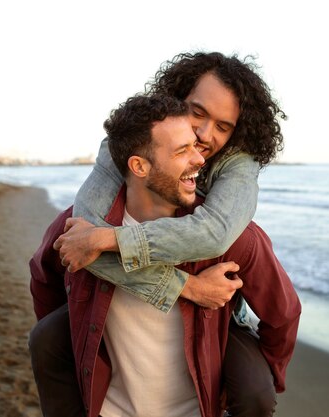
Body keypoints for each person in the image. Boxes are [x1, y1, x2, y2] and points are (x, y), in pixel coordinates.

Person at [31, 52, 287, 416]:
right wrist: (187, 287)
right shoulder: (126, 145)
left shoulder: (238, 172)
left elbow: (213, 235)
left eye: (223, 126)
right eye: (197, 113)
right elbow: (82, 237)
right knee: (47, 338)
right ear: (177, 98)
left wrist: (111, 240)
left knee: (254, 390)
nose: (204, 135)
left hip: (224, 314)